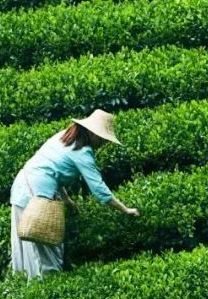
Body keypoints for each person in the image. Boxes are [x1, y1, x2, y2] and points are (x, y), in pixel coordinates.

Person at [9, 109, 139, 279]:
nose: (104, 143)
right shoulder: (83, 153)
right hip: (36, 193)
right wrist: (125, 209)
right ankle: (47, 289)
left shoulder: (64, 136)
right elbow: (99, 190)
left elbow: (53, 171)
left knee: (32, 245)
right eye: (103, 138)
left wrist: (67, 200)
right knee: (47, 246)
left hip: (23, 185)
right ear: (92, 134)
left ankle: (27, 284)